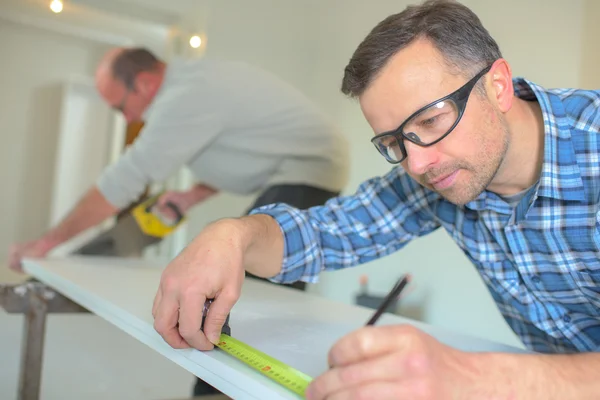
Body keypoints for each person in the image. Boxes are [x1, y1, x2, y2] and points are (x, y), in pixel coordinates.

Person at [150, 0, 600, 398]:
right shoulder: (439, 172)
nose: (418, 164)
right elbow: (324, 234)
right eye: (395, 142)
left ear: (498, 86)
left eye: (430, 119)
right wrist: (232, 234)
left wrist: (471, 377)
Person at [7, 47, 350, 396]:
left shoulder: (186, 97)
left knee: (244, 296)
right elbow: (250, 150)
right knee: (246, 291)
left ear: (142, 84)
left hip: (308, 172)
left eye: (119, 106)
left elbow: (123, 180)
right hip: (295, 171)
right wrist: (192, 196)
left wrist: (47, 242)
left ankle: (226, 390)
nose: (125, 120)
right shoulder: (192, 85)